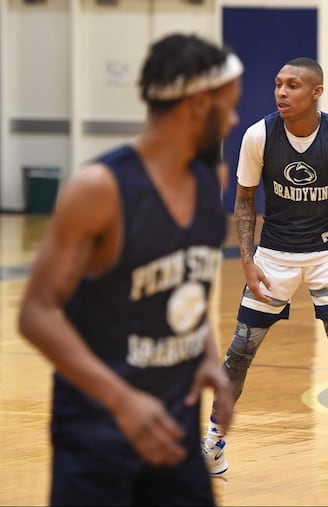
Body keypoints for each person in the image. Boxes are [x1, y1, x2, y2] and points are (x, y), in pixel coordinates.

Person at [16, 33, 242, 506]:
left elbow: (189, 289)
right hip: (99, 430)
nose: (235, 119)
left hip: (174, 427)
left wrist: (206, 359)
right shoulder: (99, 189)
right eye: (228, 107)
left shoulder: (211, 182)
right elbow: (36, 313)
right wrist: (122, 400)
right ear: (199, 104)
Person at [200, 57, 328, 488]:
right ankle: (213, 444)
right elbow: (245, 201)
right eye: (277, 85)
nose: (281, 93)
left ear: (316, 92)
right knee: (238, 353)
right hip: (274, 256)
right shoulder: (258, 136)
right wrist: (248, 262)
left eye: (293, 86)